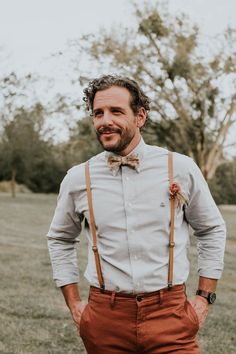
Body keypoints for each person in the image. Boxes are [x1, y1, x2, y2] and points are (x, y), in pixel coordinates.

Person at [47, 75, 226, 354]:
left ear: (140, 116)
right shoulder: (78, 178)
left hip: (170, 314)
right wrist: (74, 304)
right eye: (98, 113)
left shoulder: (179, 167)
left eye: (116, 111)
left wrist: (204, 297)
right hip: (105, 319)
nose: (104, 120)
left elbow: (211, 229)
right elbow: (59, 238)